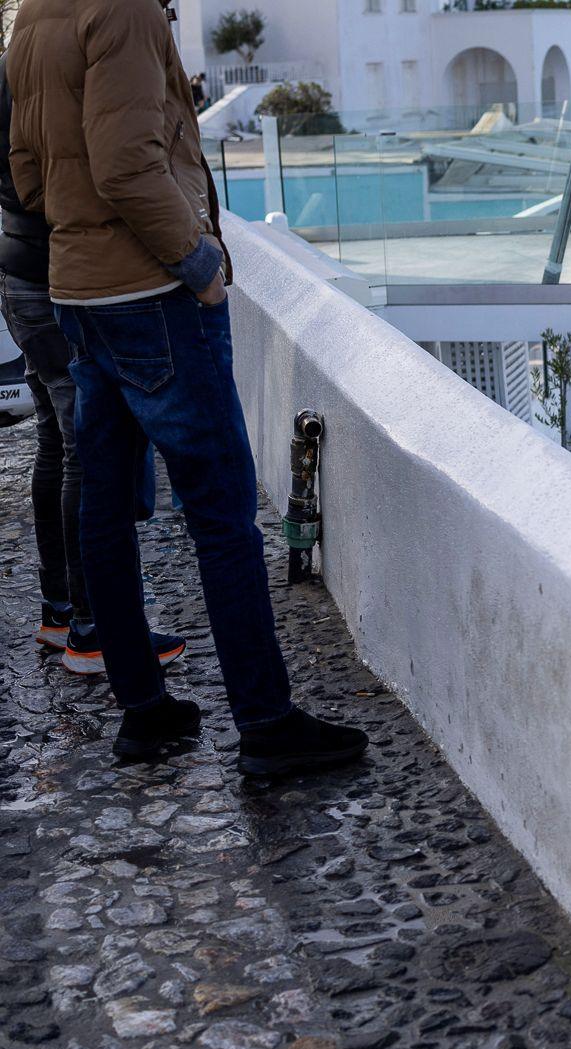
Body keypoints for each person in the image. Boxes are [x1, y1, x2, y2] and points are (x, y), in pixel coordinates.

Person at [8, 0, 368, 774]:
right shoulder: (124, 8)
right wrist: (200, 266)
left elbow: (30, 177)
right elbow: (124, 163)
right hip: (151, 297)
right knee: (222, 515)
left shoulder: (35, 14)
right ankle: (268, 725)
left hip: (79, 294)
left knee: (104, 507)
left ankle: (144, 711)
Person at [0, 50, 187, 676]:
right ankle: (94, 630)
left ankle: (62, 616)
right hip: (55, 275)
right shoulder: (36, 68)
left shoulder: (16, 62)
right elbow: (73, 179)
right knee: (85, 448)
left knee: (57, 440)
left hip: (20, 274)